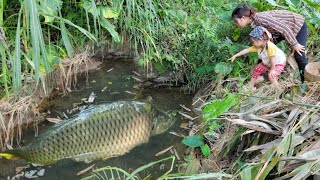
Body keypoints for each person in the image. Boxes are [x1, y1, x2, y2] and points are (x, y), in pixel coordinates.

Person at [231, 5, 308, 84]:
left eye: (236, 21)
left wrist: (295, 44)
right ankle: (261, 76)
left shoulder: (261, 19)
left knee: (299, 56)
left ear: (243, 18)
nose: (236, 24)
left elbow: (284, 28)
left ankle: (306, 83)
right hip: (280, 32)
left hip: (296, 26)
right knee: (264, 48)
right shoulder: (254, 23)